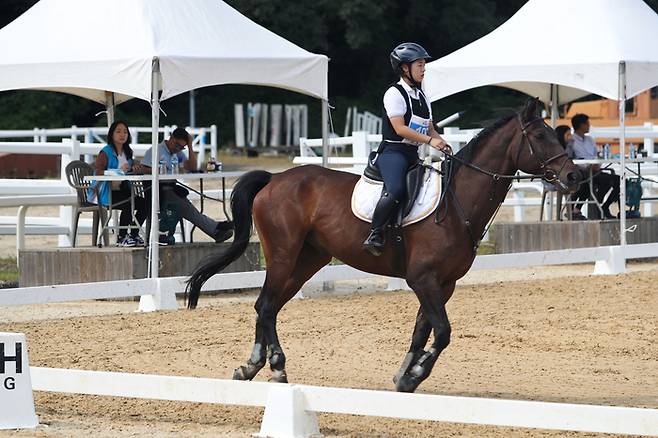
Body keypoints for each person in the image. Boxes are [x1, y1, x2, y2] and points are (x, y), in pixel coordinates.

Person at [362, 42, 450, 256]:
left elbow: (430, 127)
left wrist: (443, 143)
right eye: (419, 64)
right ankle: (375, 233)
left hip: (412, 154)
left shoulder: (422, 97)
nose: (424, 68)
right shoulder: (394, 93)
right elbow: (400, 128)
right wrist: (430, 141)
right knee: (396, 191)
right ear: (404, 68)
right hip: (393, 153)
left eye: (423, 64)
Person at [138, 127, 233, 244]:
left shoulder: (176, 153)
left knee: (189, 209)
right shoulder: (156, 150)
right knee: (188, 209)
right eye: (178, 146)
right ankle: (216, 228)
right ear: (171, 139)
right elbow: (143, 168)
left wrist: (190, 147)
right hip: (157, 191)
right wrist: (160, 171)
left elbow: (192, 167)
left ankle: (216, 228)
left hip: (171, 189)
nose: (179, 149)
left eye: (182, 147)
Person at [91, 120, 148, 246]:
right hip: (105, 192)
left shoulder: (128, 152)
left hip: (123, 190)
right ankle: (121, 238)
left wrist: (134, 168)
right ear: (112, 134)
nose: (122, 134)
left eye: (125, 132)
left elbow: (130, 169)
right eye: (118, 131)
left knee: (146, 203)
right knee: (129, 202)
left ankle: (133, 234)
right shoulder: (105, 152)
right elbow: (98, 172)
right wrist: (117, 171)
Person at [570, 113, 619, 219]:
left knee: (619, 181)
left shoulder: (590, 140)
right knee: (598, 181)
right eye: (587, 123)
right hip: (582, 171)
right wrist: (589, 166)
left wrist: (597, 164)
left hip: (595, 170)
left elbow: (596, 155)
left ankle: (603, 206)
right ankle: (594, 207)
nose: (589, 126)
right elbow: (573, 160)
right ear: (580, 125)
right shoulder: (572, 141)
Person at [555, 125, 587, 220]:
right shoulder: (558, 147)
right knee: (582, 183)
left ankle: (575, 210)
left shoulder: (570, 145)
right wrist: (570, 144)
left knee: (588, 183)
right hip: (558, 177)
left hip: (570, 173)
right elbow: (567, 157)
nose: (571, 137)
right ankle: (571, 210)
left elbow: (574, 157)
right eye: (568, 134)